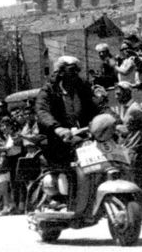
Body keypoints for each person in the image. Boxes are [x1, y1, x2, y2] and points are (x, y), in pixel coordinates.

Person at [34, 56, 98, 208]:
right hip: (56, 139)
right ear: (61, 72)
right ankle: (57, 197)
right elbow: (42, 111)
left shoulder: (82, 88)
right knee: (63, 165)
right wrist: (57, 128)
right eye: (72, 70)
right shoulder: (49, 90)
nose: (76, 73)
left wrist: (114, 119)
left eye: (78, 70)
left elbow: (97, 105)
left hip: (80, 134)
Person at [115, 81, 142, 223]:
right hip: (127, 151)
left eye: (119, 92)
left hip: (135, 151)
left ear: (127, 93)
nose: (116, 95)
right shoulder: (126, 109)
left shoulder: (134, 108)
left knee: (139, 183)